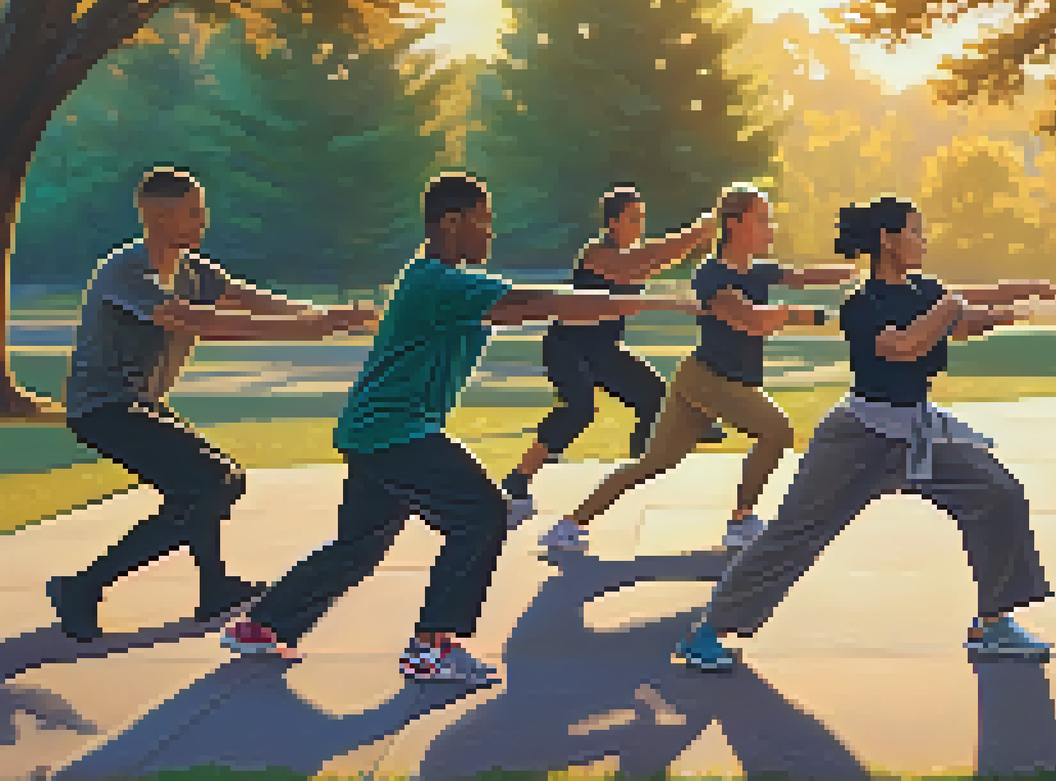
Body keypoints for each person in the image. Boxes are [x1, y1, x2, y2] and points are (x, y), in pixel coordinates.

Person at [219, 173, 699, 684]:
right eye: (483, 222)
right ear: (452, 223)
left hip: (374, 430)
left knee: (358, 547)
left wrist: (617, 302)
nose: (490, 234)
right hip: (397, 430)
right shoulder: (439, 281)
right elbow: (538, 304)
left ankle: (263, 625)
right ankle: (431, 646)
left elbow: (534, 312)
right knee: (482, 511)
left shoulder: (436, 279)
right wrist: (653, 301)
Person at [672, 196, 1056, 673]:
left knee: (998, 492)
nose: (923, 241)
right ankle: (708, 631)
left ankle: (994, 624)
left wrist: (1011, 310)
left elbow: (955, 325)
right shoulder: (861, 305)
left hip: (917, 432)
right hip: (859, 438)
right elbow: (903, 346)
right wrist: (954, 308)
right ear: (887, 240)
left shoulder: (926, 290)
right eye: (915, 232)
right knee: (795, 532)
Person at [49, 167, 381, 643]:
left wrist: (328, 317)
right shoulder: (126, 270)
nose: (203, 220)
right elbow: (189, 319)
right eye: (192, 211)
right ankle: (82, 588)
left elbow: (250, 299)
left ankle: (213, 586)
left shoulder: (192, 270)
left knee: (204, 486)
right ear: (158, 217)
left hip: (138, 403)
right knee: (213, 481)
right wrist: (310, 329)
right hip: (103, 408)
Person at [539, 183, 856, 555]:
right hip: (711, 380)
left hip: (703, 380)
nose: (770, 229)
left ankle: (569, 524)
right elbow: (748, 319)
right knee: (777, 430)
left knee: (656, 462)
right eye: (762, 220)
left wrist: (859, 273)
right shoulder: (711, 275)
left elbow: (804, 276)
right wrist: (819, 316)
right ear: (734, 224)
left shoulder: (757, 272)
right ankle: (740, 522)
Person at [502, 185, 725, 520]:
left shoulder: (632, 258)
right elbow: (637, 264)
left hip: (604, 350)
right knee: (579, 410)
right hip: (568, 348)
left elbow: (652, 262)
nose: (640, 224)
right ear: (614, 223)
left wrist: (702, 238)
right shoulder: (598, 254)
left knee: (656, 396)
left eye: (642, 218)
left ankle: (647, 452)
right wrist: (698, 232)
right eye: (634, 218)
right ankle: (518, 479)